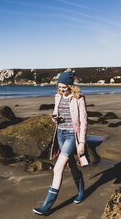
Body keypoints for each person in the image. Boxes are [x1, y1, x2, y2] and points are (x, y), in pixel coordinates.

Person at [33, 71, 88, 215]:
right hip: (60, 134)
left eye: (64, 87)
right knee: (71, 165)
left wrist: (81, 142)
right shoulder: (58, 96)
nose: (61, 89)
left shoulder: (78, 98)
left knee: (57, 169)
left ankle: (47, 206)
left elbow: (83, 122)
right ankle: (81, 191)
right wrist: (55, 118)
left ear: (70, 85)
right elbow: (56, 114)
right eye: (59, 86)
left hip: (71, 136)